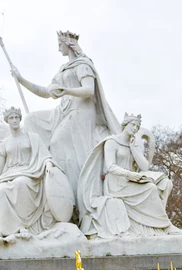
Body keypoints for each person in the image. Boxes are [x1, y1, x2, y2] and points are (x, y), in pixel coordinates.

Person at [11, 30, 119, 200]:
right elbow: (46, 92)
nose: (58, 48)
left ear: (68, 45)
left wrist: (66, 91)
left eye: (60, 45)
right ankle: (36, 171)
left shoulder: (83, 65)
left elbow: (89, 90)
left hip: (81, 110)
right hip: (62, 110)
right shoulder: (63, 70)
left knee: (57, 141)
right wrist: (21, 79)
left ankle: (70, 195)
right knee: (31, 120)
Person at [77, 113, 182, 238]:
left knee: (165, 183)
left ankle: (159, 224)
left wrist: (134, 149)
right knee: (151, 188)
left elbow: (144, 167)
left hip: (131, 180)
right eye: (133, 125)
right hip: (116, 183)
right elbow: (111, 167)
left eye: (137, 127)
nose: (135, 128)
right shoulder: (112, 142)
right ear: (125, 124)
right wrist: (130, 174)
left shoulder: (133, 143)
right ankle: (165, 226)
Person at [0, 107, 71, 238]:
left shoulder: (33, 138)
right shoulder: (4, 143)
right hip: (10, 174)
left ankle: (23, 225)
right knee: (1, 189)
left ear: (20, 119)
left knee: (21, 183)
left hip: (30, 172)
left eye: (16, 118)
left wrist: (48, 164)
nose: (14, 121)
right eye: (11, 118)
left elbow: (45, 155)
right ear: (7, 121)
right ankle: (0, 230)